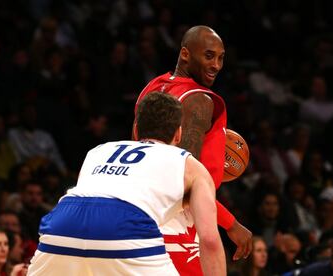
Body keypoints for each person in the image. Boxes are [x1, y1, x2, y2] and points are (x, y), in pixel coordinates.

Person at [27, 92, 226, 275]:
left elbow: (89, 202)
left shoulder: (98, 151)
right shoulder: (189, 165)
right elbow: (208, 239)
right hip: (124, 224)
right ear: (178, 134)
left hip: (63, 222)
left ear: (136, 129)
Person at [134, 25, 252, 275]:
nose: (216, 65)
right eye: (209, 56)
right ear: (185, 54)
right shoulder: (199, 100)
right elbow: (183, 184)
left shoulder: (153, 88)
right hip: (179, 223)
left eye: (221, 58)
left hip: (143, 213)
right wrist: (231, 224)